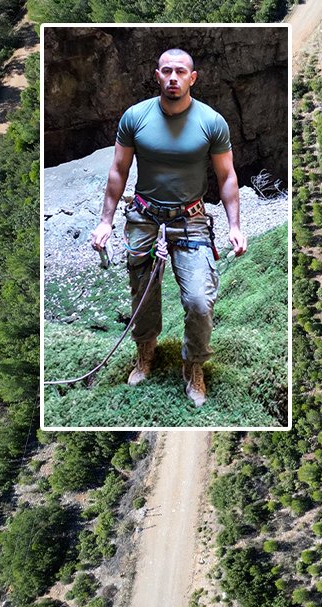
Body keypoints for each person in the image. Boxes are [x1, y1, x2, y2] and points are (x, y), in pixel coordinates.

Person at [89, 48, 247, 407]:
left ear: (193, 78)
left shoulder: (211, 122)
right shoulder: (135, 117)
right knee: (143, 294)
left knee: (199, 300)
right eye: (167, 71)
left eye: (181, 72)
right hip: (145, 217)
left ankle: (193, 365)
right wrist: (105, 221)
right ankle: (146, 352)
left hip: (190, 220)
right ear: (157, 75)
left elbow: (227, 177)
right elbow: (118, 170)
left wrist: (234, 225)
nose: (173, 77)